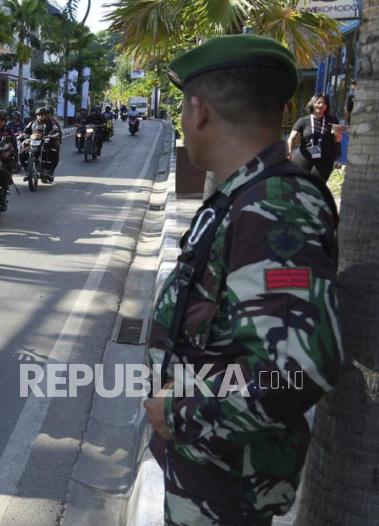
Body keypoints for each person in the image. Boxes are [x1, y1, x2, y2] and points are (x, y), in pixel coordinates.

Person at [145, 34, 342, 526]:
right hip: (211, 473)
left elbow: (299, 366)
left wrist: (181, 412)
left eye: (182, 109)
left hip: (230, 485)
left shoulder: (274, 206)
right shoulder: (246, 195)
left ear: (199, 111)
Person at [286, 93, 342, 181]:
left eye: (324, 103)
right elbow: (291, 139)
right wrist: (289, 153)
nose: (321, 105)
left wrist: (338, 138)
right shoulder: (303, 121)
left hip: (324, 160)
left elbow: (336, 138)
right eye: (318, 102)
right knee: (299, 184)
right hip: (304, 157)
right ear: (312, 103)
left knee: (317, 186)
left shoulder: (332, 120)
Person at [22, 107, 61, 179]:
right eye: (38, 115)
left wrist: (54, 135)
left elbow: (57, 131)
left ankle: (51, 171)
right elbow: (25, 131)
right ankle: (27, 170)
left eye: (42, 115)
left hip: (46, 144)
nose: (40, 117)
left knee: (54, 153)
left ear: (45, 115)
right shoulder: (32, 123)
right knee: (21, 153)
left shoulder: (51, 123)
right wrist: (23, 136)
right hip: (33, 143)